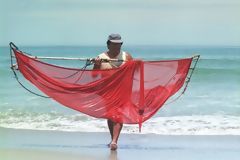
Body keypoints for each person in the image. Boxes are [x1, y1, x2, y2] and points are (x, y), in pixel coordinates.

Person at [93, 34, 132, 150]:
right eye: (114, 44)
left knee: (119, 116)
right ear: (108, 44)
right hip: (107, 91)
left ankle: (115, 141)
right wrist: (96, 64)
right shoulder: (100, 57)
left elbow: (133, 72)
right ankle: (112, 139)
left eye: (119, 44)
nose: (117, 46)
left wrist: (137, 65)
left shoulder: (126, 56)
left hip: (123, 91)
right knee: (110, 116)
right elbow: (94, 75)